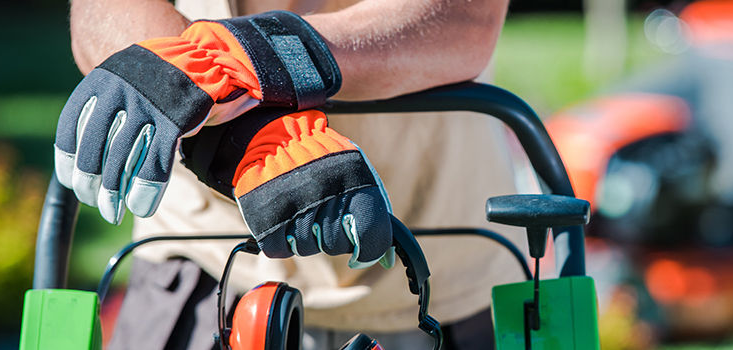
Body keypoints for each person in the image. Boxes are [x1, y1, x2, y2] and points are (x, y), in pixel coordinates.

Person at [62, 0, 531, 349]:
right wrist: (254, 134)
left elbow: (464, 19)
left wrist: (246, 60)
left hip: (436, 277)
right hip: (201, 263)